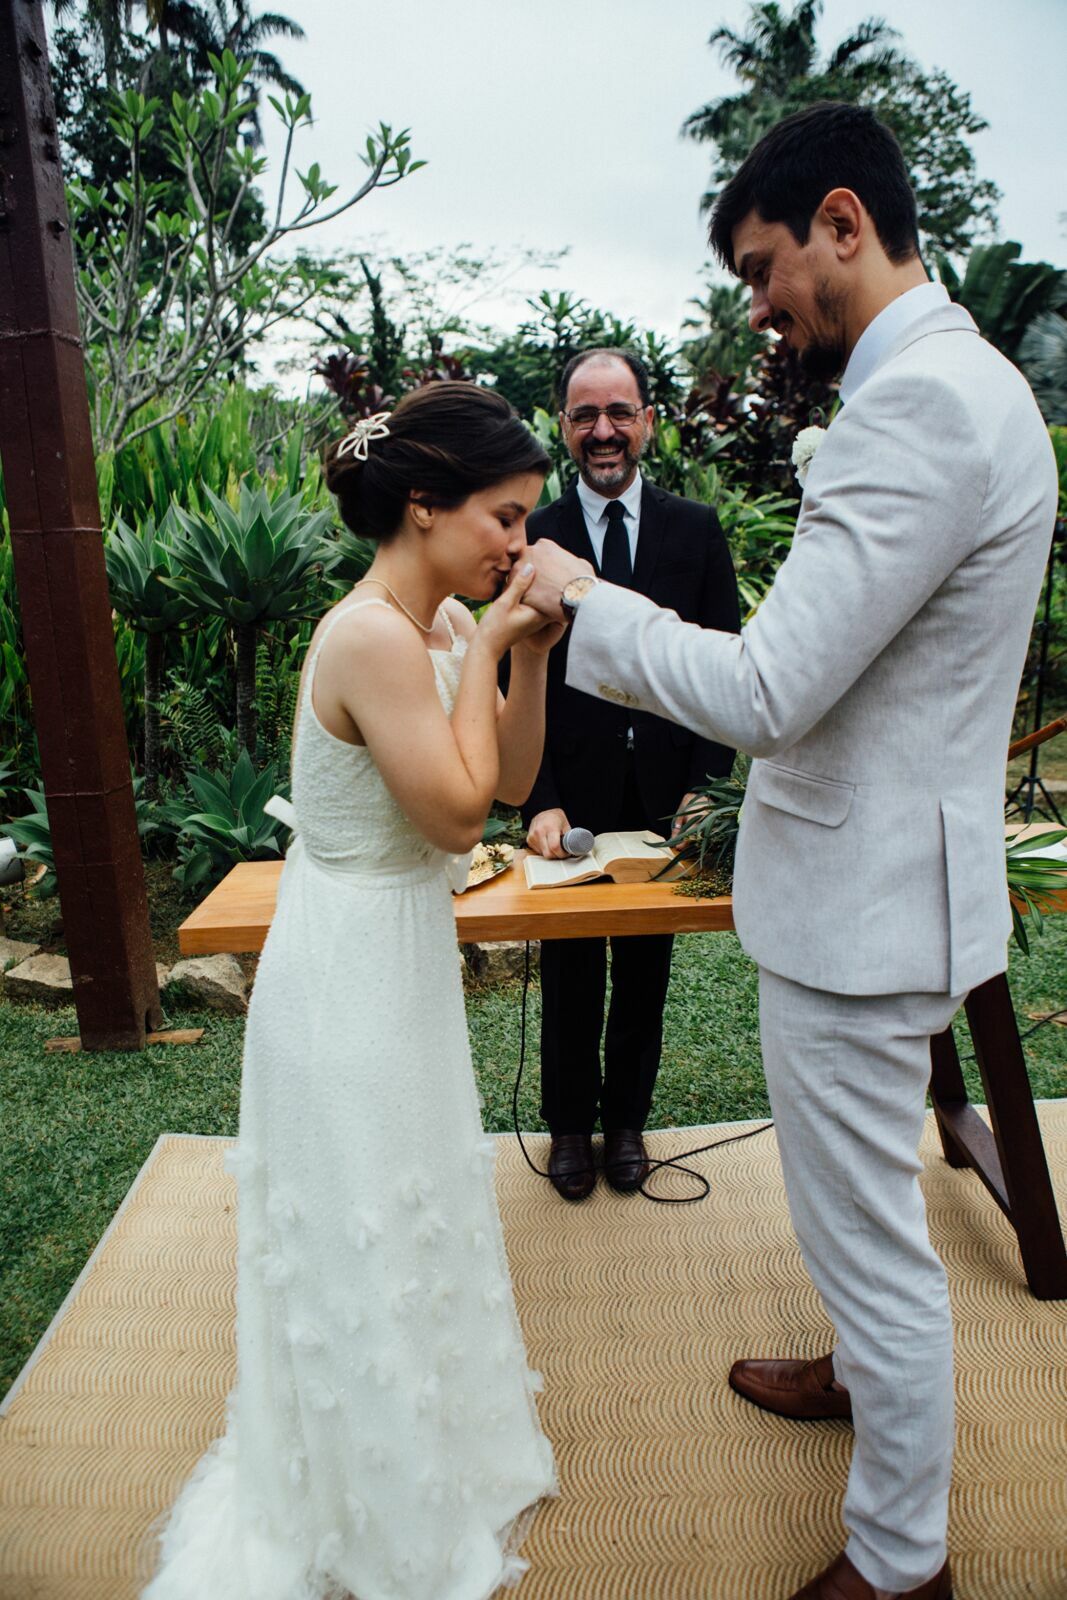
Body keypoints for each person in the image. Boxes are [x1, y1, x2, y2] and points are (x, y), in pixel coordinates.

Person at [521, 103, 1057, 1600]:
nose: (757, 305)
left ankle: (897, 1562)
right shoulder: (966, 385)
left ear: (840, 221)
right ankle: (856, 1375)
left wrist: (583, 607)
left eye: (763, 269)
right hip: (894, 878)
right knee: (856, 1200)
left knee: (877, 1243)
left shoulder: (915, 409)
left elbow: (766, 692)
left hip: (861, 907)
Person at [143, 383, 561, 1600]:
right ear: (423, 507)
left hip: (402, 958)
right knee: (361, 1215)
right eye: (504, 517)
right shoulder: (376, 633)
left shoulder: (433, 624)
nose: (517, 546)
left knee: (419, 1191)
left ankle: (435, 1451)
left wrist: (522, 655)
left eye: (525, 524)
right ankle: (363, 1501)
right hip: (345, 970)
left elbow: (512, 771)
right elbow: (449, 811)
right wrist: (488, 640)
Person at [520, 347, 740, 1202]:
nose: (603, 431)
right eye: (584, 415)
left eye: (619, 412)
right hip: (565, 803)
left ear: (648, 421)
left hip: (666, 802)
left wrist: (704, 788)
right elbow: (511, 677)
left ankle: (625, 1128)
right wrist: (537, 798)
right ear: (564, 427)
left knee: (645, 975)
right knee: (570, 977)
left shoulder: (696, 531)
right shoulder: (532, 537)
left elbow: (721, 667)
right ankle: (567, 1130)